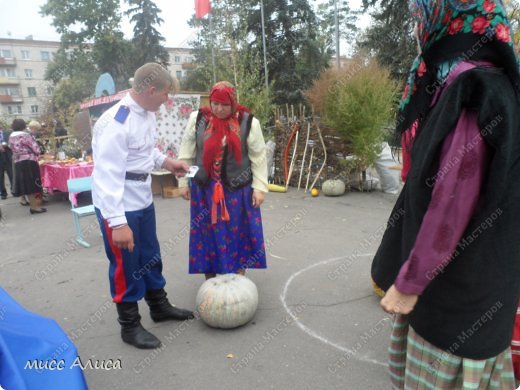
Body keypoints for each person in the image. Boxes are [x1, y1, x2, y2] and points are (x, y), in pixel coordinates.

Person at [371, 1, 520, 388]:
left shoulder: (473, 91)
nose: (417, 25)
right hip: (483, 290)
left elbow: (453, 199)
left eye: (420, 15)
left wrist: (410, 283)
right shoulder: (494, 84)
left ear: (445, 19)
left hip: (457, 300)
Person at [91, 63, 194, 350]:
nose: (167, 99)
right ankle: (130, 325)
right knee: (126, 264)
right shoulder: (117, 122)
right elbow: (106, 175)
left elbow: (146, 151)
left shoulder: (146, 113)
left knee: (149, 255)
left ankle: (159, 307)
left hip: (142, 197)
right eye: (165, 94)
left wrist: (167, 162)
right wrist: (118, 222)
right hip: (119, 203)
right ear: (150, 90)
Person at [178, 81, 268, 280]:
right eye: (215, 104)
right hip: (204, 190)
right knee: (206, 234)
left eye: (224, 105)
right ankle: (210, 280)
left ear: (233, 103)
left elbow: (259, 157)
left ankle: (238, 277)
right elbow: (186, 153)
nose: (218, 109)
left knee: (238, 234)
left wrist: (259, 188)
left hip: (237, 190)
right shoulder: (198, 119)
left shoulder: (248, 122)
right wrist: (184, 182)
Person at [8, 119, 46, 213]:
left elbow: (10, 147)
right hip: (29, 161)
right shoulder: (25, 135)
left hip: (18, 162)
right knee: (33, 184)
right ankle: (35, 207)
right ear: (23, 126)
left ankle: (33, 206)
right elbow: (36, 149)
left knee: (26, 185)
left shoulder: (11, 136)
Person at [0, 126, 13, 199]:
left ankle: (14, 190)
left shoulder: (8, 133)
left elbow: (12, 144)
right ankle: (3, 193)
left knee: (11, 174)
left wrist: (6, 145)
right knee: (0, 177)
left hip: (8, 157)